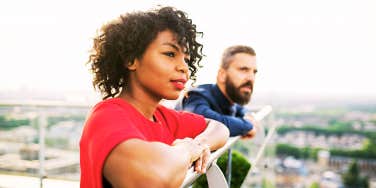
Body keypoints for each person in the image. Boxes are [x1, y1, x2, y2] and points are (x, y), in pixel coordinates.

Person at [80, 6, 229, 188]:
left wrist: (199, 143)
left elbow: (219, 128)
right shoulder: (106, 116)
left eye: (187, 60)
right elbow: (156, 177)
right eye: (170, 54)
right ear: (131, 59)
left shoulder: (163, 117)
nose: (184, 68)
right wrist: (187, 150)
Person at [177, 45, 258, 137]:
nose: (251, 78)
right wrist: (247, 125)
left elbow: (241, 109)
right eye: (243, 70)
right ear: (222, 75)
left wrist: (248, 115)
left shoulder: (229, 100)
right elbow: (211, 122)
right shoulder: (196, 97)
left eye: (254, 72)